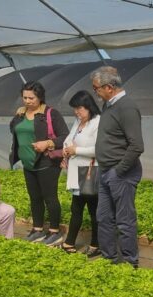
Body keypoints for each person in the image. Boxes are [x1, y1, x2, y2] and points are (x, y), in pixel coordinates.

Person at [91, 66, 144, 267]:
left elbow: (137, 145)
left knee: (124, 220)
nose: (95, 92)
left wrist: (118, 171)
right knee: (103, 217)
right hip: (106, 171)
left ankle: (130, 263)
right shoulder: (109, 105)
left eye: (96, 88)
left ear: (109, 87)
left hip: (121, 173)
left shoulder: (127, 107)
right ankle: (109, 259)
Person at [9, 81, 69, 246]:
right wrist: (17, 117)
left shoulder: (50, 114)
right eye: (25, 97)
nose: (27, 101)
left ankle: (55, 232)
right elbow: (14, 130)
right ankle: (37, 230)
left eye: (31, 98)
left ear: (40, 97)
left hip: (47, 162)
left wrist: (47, 143)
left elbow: (65, 136)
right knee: (34, 198)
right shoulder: (21, 113)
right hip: (28, 164)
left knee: (50, 198)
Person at [60, 90, 102, 258]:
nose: (77, 112)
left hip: (90, 171)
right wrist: (66, 150)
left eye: (79, 108)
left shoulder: (98, 122)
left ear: (89, 106)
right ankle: (71, 243)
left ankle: (94, 244)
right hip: (77, 171)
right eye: (75, 108)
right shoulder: (78, 122)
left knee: (92, 210)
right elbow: (69, 139)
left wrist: (75, 149)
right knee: (77, 208)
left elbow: (99, 149)